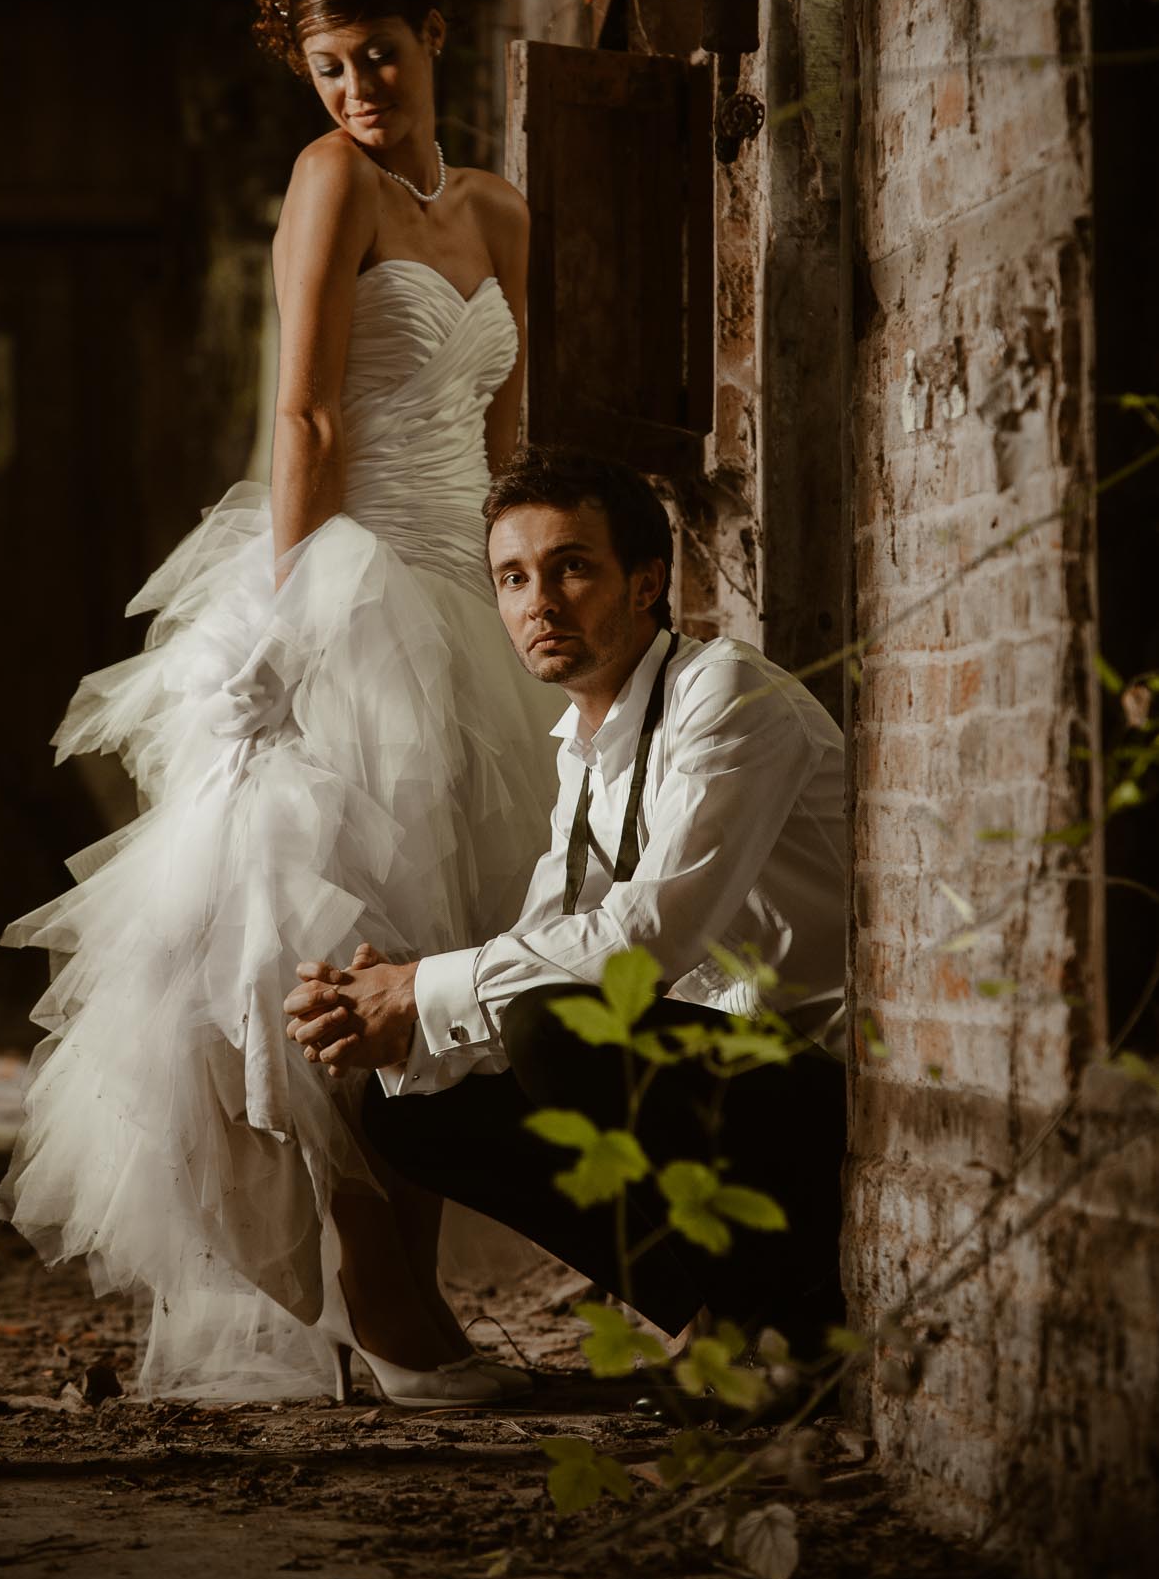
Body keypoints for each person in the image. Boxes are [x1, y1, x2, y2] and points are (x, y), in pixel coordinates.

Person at [0, 0, 560, 1407]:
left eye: (377, 55)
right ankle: (380, 1303)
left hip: (465, 602)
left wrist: (522, 599)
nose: (355, 89)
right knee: (327, 956)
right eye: (328, 66)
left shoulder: (501, 210)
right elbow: (305, 414)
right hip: (349, 589)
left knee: (437, 967)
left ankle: (404, 1300)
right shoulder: (329, 183)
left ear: (437, 37)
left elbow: (509, 432)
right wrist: (287, 617)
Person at [286, 447, 849, 1352]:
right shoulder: (582, 744)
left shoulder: (726, 693)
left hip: (813, 1093)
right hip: (716, 1082)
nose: (538, 604)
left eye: (571, 567)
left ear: (645, 582)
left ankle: (787, 1314)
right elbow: (548, 939)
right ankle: (721, 1315)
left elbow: (644, 945)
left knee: (551, 1031)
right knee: (410, 1107)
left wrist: (423, 987)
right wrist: (383, 1010)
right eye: (513, 578)